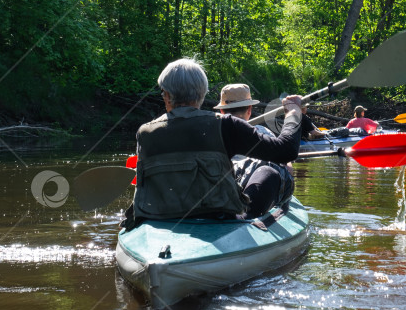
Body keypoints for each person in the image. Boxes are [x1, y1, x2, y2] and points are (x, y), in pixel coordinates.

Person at [122, 59, 302, 230]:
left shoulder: (145, 132)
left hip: (161, 215)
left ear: (167, 95)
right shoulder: (225, 124)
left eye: (163, 93)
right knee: (271, 171)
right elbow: (286, 150)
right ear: (202, 93)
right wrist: (293, 112)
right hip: (219, 216)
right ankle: (246, 220)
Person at [213, 83, 295, 212]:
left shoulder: (211, 132)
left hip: (220, 189)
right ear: (249, 110)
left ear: (222, 111)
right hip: (252, 189)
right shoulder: (260, 131)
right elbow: (287, 167)